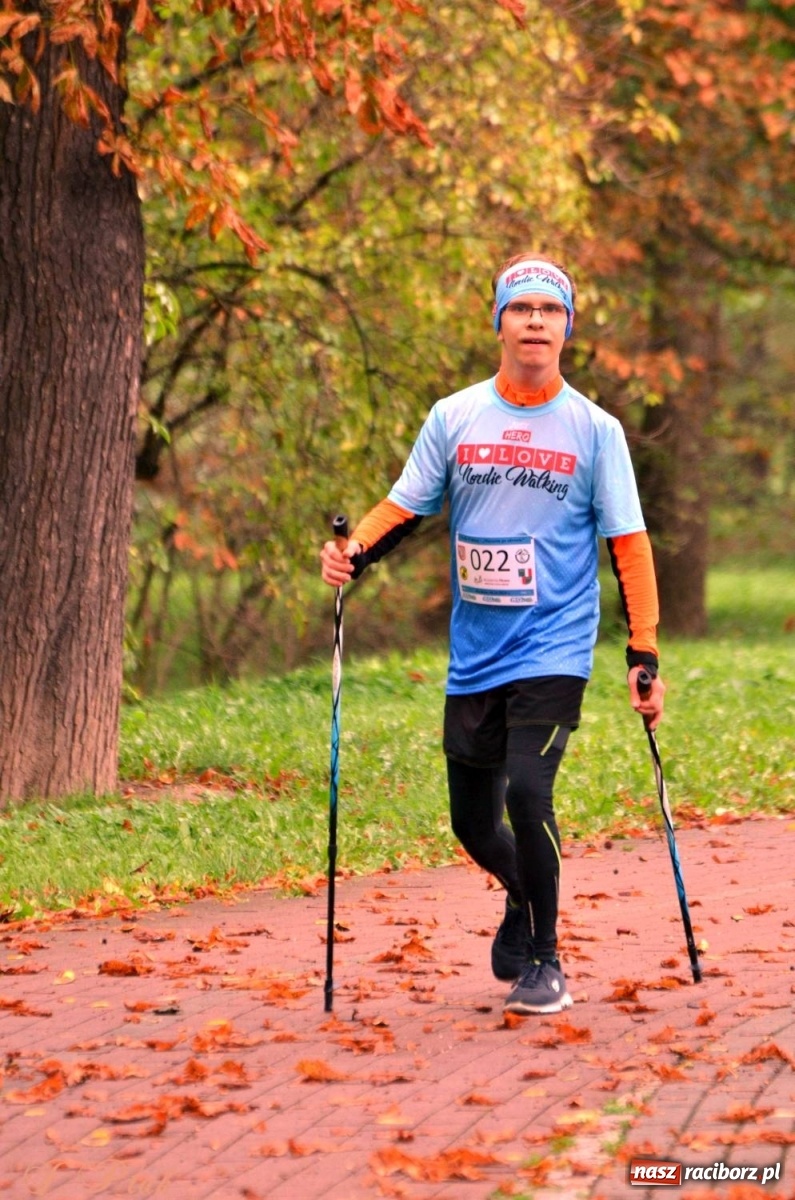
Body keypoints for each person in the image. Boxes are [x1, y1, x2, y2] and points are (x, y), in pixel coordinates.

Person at [320, 253, 665, 1016]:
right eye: (522, 308)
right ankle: (521, 895)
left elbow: (629, 545)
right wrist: (352, 554)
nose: (535, 320)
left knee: (527, 792)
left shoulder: (594, 430)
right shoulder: (454, 416)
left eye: (550, 309)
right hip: (476, 651)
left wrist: (643, 651)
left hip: (555, 646)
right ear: (500, 323)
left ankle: (545, 961)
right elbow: (402, 509)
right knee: (471, 823)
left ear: (566, 329)